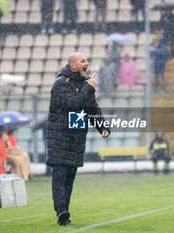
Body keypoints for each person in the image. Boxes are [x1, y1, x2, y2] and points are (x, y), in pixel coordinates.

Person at [46, 52, 110, 225]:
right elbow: (72, 104)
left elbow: (92, 109)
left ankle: (64, 215)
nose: (87, 63)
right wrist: (89, 87)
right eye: (83, 61)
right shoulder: (61, 83)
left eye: (87, 60)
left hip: (75, 139)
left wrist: (102, 127)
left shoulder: (84, 83)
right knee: (60, 177)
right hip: (60, 138)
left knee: (69, 180)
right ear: (73, 66)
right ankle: (61, 212)